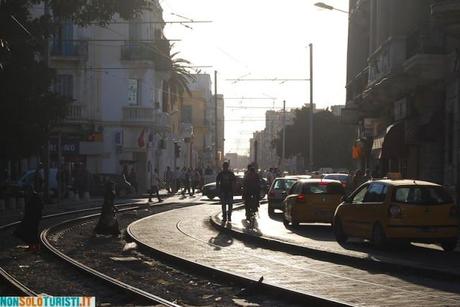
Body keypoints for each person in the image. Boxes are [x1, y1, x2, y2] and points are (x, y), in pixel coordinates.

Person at [14, 179, 44, 252]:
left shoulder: (35, 197)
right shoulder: (30, 197)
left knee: (31, 232)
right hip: (29, 218)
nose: (26, 192)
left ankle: (35, 246)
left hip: (33, 218)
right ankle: (33, 246)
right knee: (25, 232)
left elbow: (39, 207)